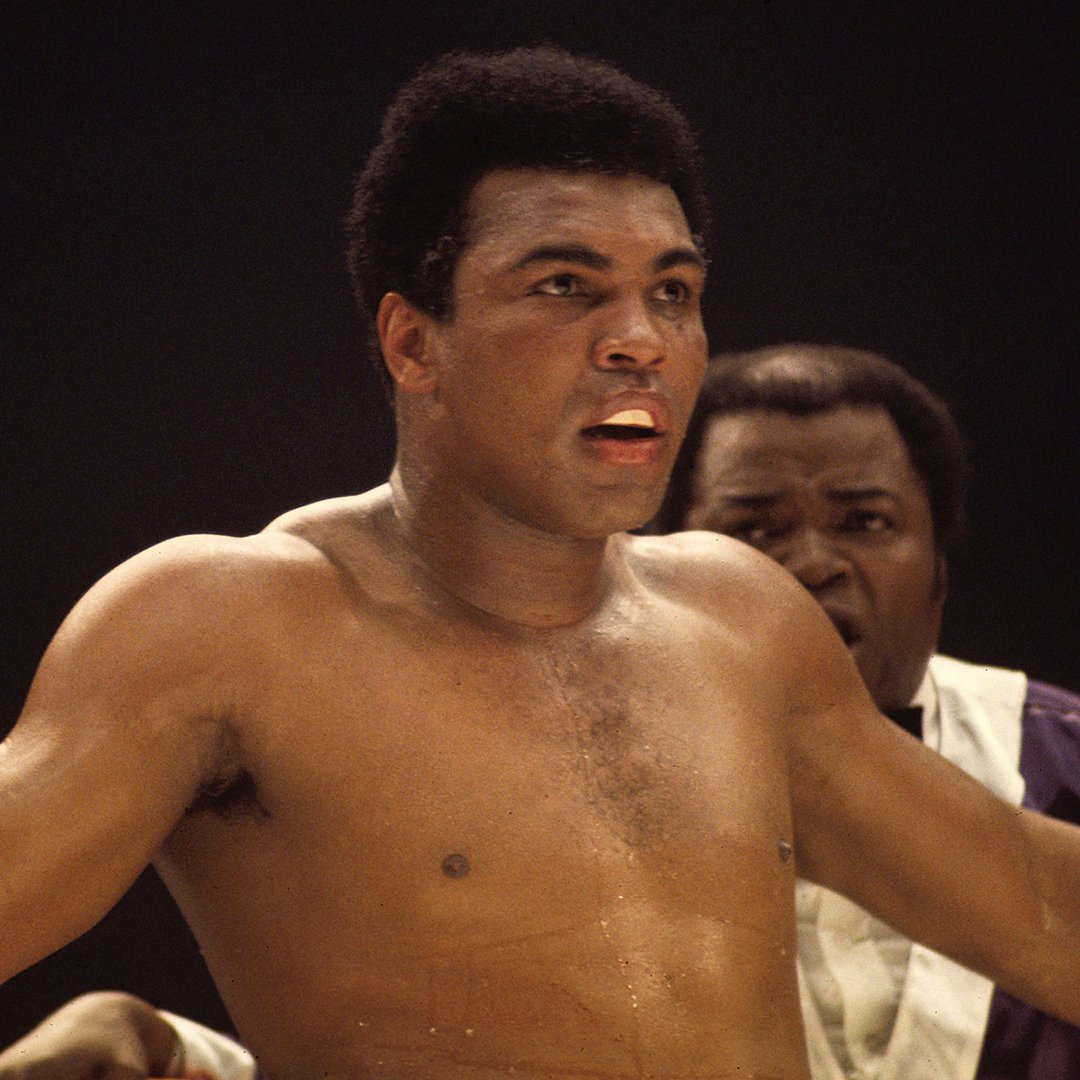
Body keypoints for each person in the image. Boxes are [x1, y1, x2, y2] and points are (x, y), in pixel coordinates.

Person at [2, 46, 1080, 1080]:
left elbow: (1036, 909)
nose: (641, 341)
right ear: (414, 342)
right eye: (566, 285)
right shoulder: (226, 628)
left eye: (672, 292)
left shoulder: (741, 618)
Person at [654, 344, 1080, 1080]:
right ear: (654, 573)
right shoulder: (572, 787)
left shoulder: (1068, 758)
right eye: (755, 530)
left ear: (940, 571)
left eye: (866, 521)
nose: (814, 561)